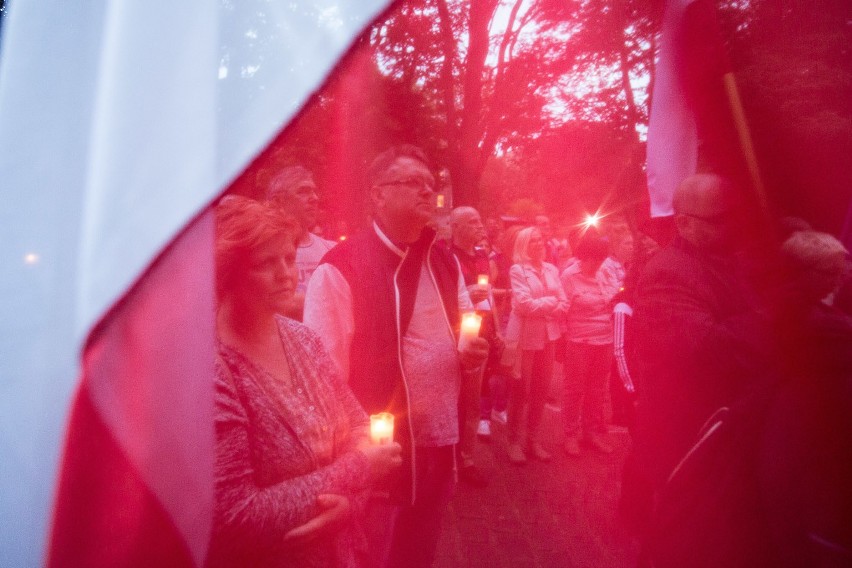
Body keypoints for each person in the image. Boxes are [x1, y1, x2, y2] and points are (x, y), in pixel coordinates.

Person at [304, 145, 489, 568]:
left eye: (430, 185)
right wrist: (344, 466)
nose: (426, 193)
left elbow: (465, 323)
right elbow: (323, 381)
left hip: (441, 442)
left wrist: (472, 351)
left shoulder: (443, 260)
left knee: (421, 548)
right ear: (377, 194)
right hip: (380, 456)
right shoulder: (341, 267)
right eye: (411, 183)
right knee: (376, 554)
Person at [208, 196, 402, 568]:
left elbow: (360, 426)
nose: (287, 273)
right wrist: (359, 468)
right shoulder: (213, 370)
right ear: (226, 273)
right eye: (267, 263)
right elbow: (235, 515)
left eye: (289, 257)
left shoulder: (303, 339)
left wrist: (349, 506)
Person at [627, 173, 774, 510]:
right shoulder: (667, 272)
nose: (733, 226)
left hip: (734, 430)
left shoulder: (735, 259)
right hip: (690, 437)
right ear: (684, 224)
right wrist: (774, 313)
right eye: (721, 219)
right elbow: (709, 350)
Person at [505, 226, 568, 464]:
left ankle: (532, 440)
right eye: (533, 241)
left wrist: (547, 305)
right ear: (523, 245)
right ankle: (513, 441)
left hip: (548, 337)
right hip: (525, 339)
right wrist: (551, 304)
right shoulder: (518, 269)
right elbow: (523, 304)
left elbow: (564, 302)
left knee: (541, 391)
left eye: (541, 239)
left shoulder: (552, 269)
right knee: (521, 392)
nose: (539, 243)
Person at [560, 233, 617, 456]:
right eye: (594, 260)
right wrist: (563, 341)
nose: (598, 264)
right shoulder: (569, 276)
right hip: (579, 340)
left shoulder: (606, 272)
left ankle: (590, 432)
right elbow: (561, 311)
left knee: (597, 389)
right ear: (584, 256)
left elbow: (615, 297)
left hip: (605, 339)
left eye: (601, 259)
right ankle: (570, 435)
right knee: (574, 389)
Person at [448, 206, 493, 487]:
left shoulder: (481, 257)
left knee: (472, 402)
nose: (480, 226)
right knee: (452, 400)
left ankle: (466, 458)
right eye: (472, 222)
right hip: (452, 334)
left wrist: (496, 330)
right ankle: (448, 456)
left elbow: (488, 298)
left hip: (479, 332)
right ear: (456, 227)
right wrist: (466, 290)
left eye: (479, 220)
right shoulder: (444, 256)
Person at [266, 165, 336, 320]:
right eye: (303, 191)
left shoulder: (333, 250)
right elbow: (262, 303)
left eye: (314, 191)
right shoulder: (262, 252)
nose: (314, 198)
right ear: (278, 201)